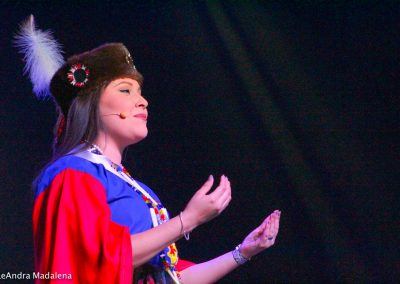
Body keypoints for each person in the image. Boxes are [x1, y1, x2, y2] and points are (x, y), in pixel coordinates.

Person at [16, 15, 281, 283]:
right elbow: (96, 260)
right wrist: (186, 220)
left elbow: (169, 277)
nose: (143, 101)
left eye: (140, 92)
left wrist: (243, 252)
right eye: (125, 90)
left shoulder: (130, 185)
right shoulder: (72, 173)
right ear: (91, 105)